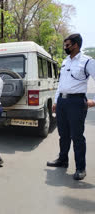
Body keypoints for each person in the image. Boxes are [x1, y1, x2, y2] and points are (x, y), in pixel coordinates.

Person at [47, 34, 95, 180]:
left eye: (67, 45)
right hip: (62, 102)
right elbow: (61, 84)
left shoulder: (87, 61)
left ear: (75, 45)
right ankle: (63, 160)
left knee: (77, 136)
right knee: (64, 135)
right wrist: (56, 101)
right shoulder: (65, 61)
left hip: (76, 103)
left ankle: (80, 168)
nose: (65, 48)